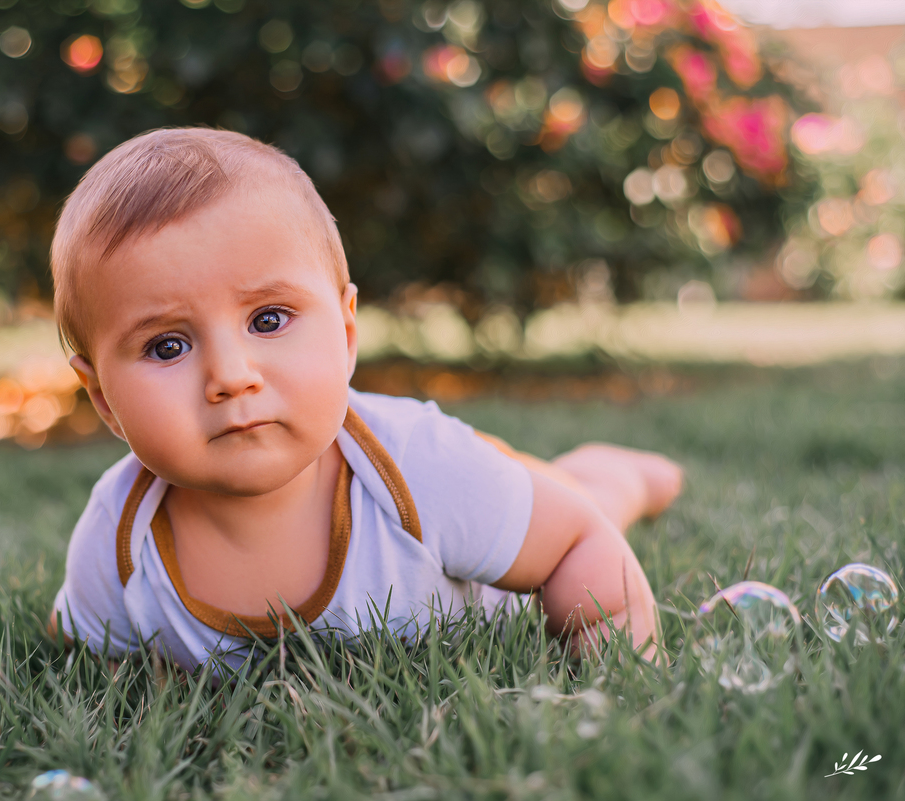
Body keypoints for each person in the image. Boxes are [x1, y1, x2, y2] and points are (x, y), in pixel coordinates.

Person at [47, 127, 682, 670]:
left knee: (584, 499)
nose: (231, 376)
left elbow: (577, 542)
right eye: (166, 347)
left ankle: (619, 473)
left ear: (347, 334)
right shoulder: (119, 537)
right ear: (103, 399)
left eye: (268, 320)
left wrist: (620, 669)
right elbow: (82, 647)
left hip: (491, 527)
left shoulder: (428, 473)